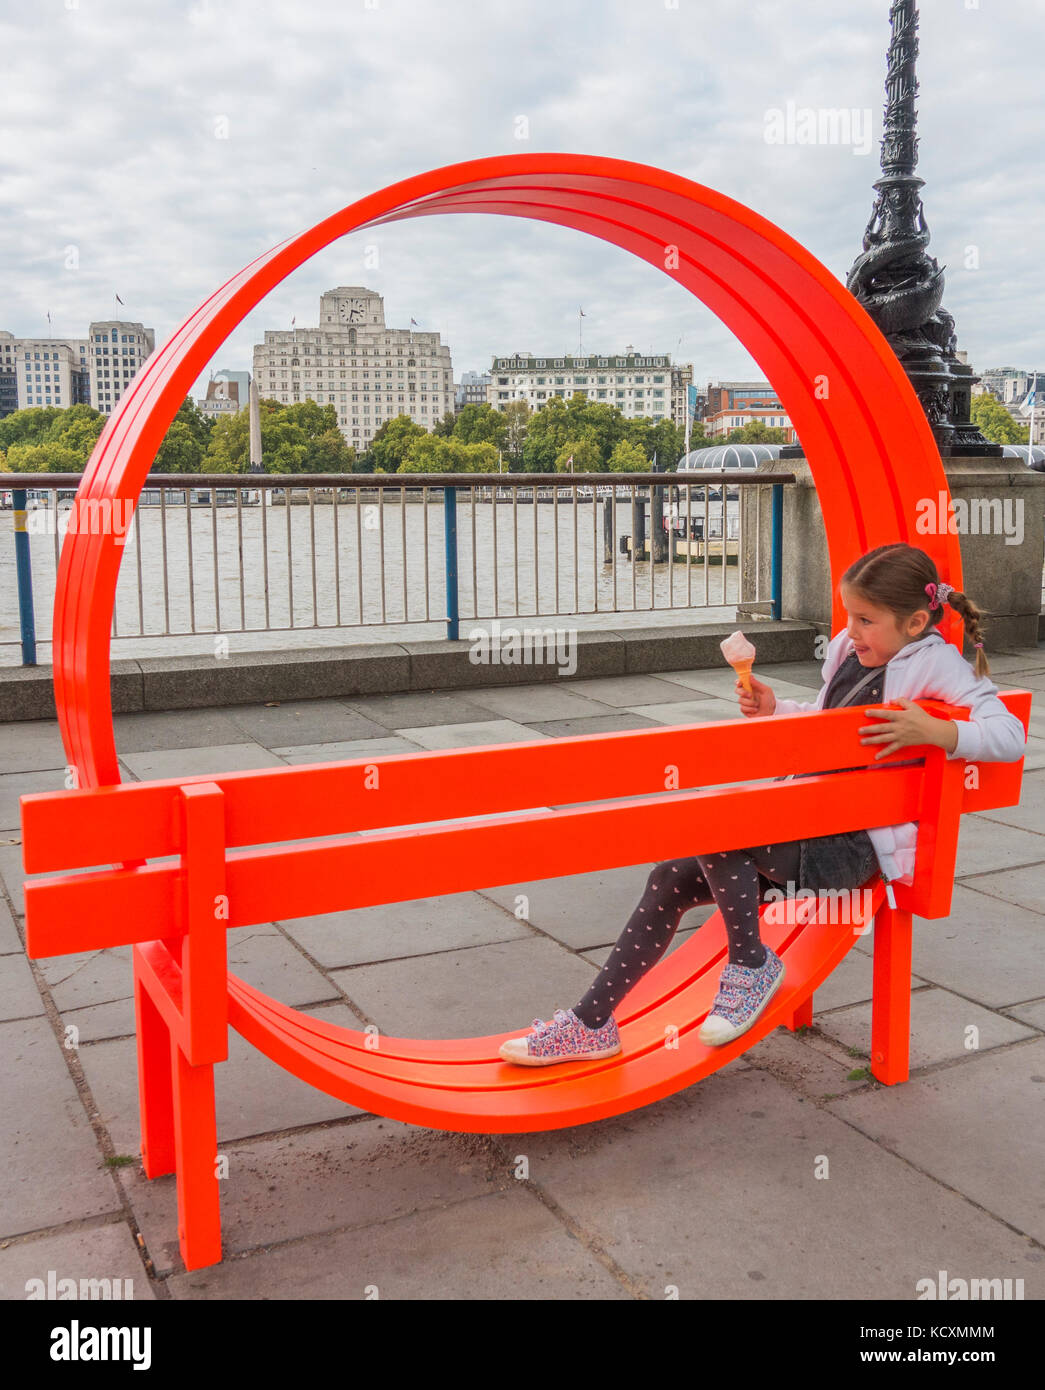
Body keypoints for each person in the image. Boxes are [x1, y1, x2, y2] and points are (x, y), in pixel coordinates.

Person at [499, 542, 1027, 1066]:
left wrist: (939, 731)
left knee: (719, 821)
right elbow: (825, 721)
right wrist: (777, 708)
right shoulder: (849, 650)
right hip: (809, 821)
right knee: (668, 879)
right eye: (849, 615)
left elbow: (1009, 733)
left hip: (850, 847)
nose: (850, 630)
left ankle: (751, 964)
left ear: (914, 622)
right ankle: (592, 1024)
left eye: (866, 620)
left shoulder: (937, 665)